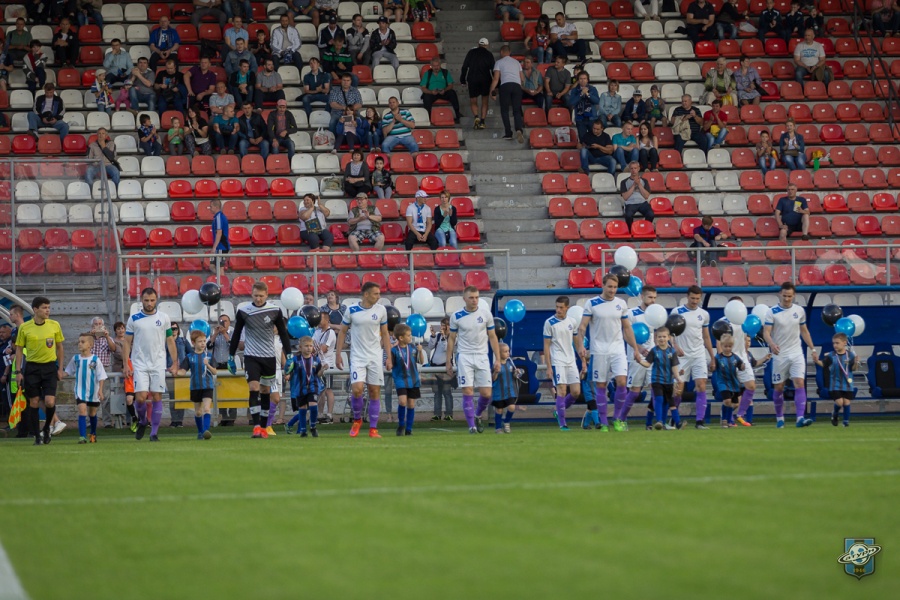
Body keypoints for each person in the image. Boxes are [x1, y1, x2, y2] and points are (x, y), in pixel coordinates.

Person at [575, 274, 642, 432]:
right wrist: (581, 345)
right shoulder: (592, 303)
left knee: (622, 382)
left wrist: (635, 348)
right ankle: (604, 422)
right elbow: (582, 327)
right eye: (610, 286)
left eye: (615, 287)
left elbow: (627, 328)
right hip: (599, 350)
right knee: (601, 385)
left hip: (617, 349)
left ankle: (617, 418)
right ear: (603, 285)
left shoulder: (621, 303)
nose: (612, 290)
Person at [228, 281, 290, 438]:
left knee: (265, 391)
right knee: (253, 387)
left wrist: (289, 355)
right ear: (252, 294)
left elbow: (283, 333)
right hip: (251, 356)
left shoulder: (275, 310)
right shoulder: (244, 311)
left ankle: (263, 427)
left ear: (267, 295)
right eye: (255, 295)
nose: (258, 299)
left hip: (269, 357)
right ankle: (256, 426)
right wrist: (231, 355)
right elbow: (236, 334)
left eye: (261, 296)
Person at [335, 282, 392, 438]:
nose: (378, 297)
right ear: (366, 294)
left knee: (374, 391)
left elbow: (385, 334)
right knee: (357, 389)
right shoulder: (352, 310)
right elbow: (342, 332)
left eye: (379, 293)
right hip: (357, 356)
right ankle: (357, 420)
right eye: (375, 294)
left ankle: (373, 429)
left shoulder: (381, 310)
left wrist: (389, 357)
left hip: (375, 356)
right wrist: (338, 354)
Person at [123, 288, 179, 442]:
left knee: (156, 396)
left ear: (156, 300)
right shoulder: (134, 319)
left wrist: (175, 362)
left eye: (152, 300)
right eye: (146, 300)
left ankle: (154, 433)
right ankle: (142, 421)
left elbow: (170, 340)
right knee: (140, 398)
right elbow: (127, 342)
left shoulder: (164, 317)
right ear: (141, 300)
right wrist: (126, 364)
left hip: (158, 363)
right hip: (139, 363)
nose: (149, 303)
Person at [446, 286, 502, 434]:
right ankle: (471, 426)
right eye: (471, 297)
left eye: (476, 297)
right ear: (464, 299)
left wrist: (497, 359)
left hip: (482, 356)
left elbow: (492, 336)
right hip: (464, 356)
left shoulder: (486, 314)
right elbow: (451, 339)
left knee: (487, 393)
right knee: (468, 390)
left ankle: (477, 415)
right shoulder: (456, 316)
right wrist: (448, 361)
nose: (474, 300)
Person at [763, 282, 817, 428]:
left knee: (799, 383)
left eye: (789, 296)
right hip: (780, 354)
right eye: (785, 296)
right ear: (780, 294)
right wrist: (772, 344)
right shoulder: (772, 312)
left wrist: (813, 349)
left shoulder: (799, 311)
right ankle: (780, 418)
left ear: (794, 296)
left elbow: (804, 331)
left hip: (796, 353)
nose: (787, 299)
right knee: (779, 387)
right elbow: (766, 332)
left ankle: (800, 418)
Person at [15, 296, 65, 445]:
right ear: (35, 310)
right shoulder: (25, 327)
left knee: (49, 401)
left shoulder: (54, 325)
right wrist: (18, 371)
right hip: (32, 368)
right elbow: (19, 349)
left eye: (48, 307)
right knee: (34, 401)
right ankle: (37, 436)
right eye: (44, 308)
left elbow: (60, 347)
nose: (47, 310)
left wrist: (60, 368)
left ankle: (47, 427)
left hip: (49, 367)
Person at [670, 285, 715, 430]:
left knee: (701, 385)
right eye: (692, 298)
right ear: (687, 296)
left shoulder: (704, 314)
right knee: (678, 389)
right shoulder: (677, 312)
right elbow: (670, 333)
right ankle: (674, 418)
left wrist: (712, 356)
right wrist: (675, 346)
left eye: (697, 299)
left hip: (698, 354)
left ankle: (699, 421)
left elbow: (706, 336)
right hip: (682, 356)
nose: (695, 301)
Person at [721, 296, 760, 428]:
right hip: (728, 359)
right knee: (731, 395)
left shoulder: (745, 321)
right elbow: (719, 342)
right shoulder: (723, 323)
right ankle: (726, 419)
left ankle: (740, 414)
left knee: (751, 386)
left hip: (742, 357)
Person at [543, 296, 581, 431]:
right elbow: (546, 346)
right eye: (557, 307)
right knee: (562, 390)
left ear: (567, 308)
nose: (558, 310)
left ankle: (558, 411)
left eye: (561, 307)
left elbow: (576, 342)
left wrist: (583, 360)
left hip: (571, 360)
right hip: (557, 360)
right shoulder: (549, 323)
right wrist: (548, 367)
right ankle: (563, 423)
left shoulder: (572, 322)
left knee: (576, 392)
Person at [65, 332, 107, 444]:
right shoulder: (75, 359)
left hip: (93, 391)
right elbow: (68, 371)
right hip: (80, 390)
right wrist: (59, 374)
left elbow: (101, 376)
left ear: (90, 345)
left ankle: (93, 434)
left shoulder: (95, 360)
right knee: (82, 411)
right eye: (79, 342)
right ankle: (82, 437)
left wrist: (100, 390)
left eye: (83, 342)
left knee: (92, 413)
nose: (80, 344)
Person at [623, 286, 656, 429]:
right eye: (650, 297)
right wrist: (639, 348)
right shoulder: (632, 313)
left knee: (656, 390)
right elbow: (626, 335)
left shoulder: (656, 313)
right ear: (642, 297)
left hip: (653, 357)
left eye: (654, 298)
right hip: (636, 357)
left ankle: (652, 422)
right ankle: (621, 419)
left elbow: (660, 334)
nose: (653, 300)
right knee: (635, 391)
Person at [637, 326, 681, 430]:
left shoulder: (672, 351)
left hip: (668, 381)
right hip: (656, 380)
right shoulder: (654, 351)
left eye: (664, 337)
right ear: (656, 338)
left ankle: (671, 423)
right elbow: (648, 364)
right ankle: (659, 421)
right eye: (659, 337)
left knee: (667, 402)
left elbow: (674, 366)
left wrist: (678, 377)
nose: (662, 339)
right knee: (659, 399)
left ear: (668, 337)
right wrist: (640, 361)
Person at [178, 330, 216, 440]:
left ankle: (206, 431)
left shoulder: (209, 356)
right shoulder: (190, 357)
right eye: (200, 341)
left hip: (207, 386)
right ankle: (200, 432)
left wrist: (208, 365)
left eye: (204, 341)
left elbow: (215, 372)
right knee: (198, 412)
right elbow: (183, 371)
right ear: (193, 343)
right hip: (195, 387)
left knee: (207, 409)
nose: (203, 343)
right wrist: (175, 372)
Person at [814, 333, 857, 428]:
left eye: (837, 343)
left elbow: (853, 369)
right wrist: (817, 361)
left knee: (846, 402)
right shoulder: (831, 355)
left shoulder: (850, 355)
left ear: (844, 343)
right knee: (839, 402)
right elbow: (824, 364)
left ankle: (846, 422)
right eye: (834, 343)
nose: (835, 345)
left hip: (847, 384)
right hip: (835, 384)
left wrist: (856, 362)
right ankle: (835, 413)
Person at [285, 336, 325, 436]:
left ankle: (313, 426)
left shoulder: (316, 359)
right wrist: (287, 372)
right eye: (306, 346)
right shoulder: (295, 360)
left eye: (311, 346)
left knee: (313, 406)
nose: (309, 348)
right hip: (300, 388)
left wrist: (322, 369)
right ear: (300, 347)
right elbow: (288, 371)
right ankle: (303, 430)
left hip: (313, 386)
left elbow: (318, 374)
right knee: (302, 409)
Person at [390, 324, 424, 436]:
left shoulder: (413, 348)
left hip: (413, 380)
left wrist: (420, 352)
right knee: (402, 401)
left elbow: (421, 361)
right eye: (408, 335)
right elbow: (390, 364)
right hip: (400, 379)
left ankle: (409, 429)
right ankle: (401, 425)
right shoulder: (394, 350)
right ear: (401, 338)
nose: (410, 337)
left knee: (411, 404)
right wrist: (388, 364)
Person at [489, 44, 525, 143]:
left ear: (501, 52)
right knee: (516, 110)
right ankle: (519, 129)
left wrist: (492, 91)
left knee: (504, 110)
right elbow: (522, 78)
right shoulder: (516, 62)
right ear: (510, 52)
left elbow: (496, 79)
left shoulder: (499, 62)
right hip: (517, 86)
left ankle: (508, 133)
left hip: (505, 86)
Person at [460, 38, 495, 130]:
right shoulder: (489, 54)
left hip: (472, 79)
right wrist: (496, 84)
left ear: (478, 44)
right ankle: (482, 121)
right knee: (485, 101)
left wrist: (462, 79)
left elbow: (464, 67)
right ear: (487, 45)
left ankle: (476, 117)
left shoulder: (471, 53)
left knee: (473, 100)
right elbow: (493, 70)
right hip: (485, 80)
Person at [711, 334, 745, 427]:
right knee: (727, 401)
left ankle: (728, 418)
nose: (727, 348)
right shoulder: (718, 358)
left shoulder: (735, 357)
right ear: (721, 346)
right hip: (723, 383)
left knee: (735, 404)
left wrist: (742, 366)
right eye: (725, 346)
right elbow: (712, 368)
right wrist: (712, 367)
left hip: (734, 383)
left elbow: (741, 366)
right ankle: (724, 420)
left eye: (729, 346)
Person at [208, 314, 235, 425]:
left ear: (229, 322)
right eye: (221, 321)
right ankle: (223, 417)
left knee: (232, 391)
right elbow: (209, 346)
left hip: (229, 364)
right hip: (218, 365)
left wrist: (225, 334)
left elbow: (233, 346)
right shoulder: (215, 334)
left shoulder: (232, 333)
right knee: (220, 392)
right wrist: (215, 334)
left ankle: (232, 417)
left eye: (225, 321)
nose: (223, 323)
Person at [311, 311, 336, 424]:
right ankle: (320, 414)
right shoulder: (316, 332)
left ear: (327, 319)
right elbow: (312, 346)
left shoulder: (330, 332)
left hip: (327, 365)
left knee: (328, 389)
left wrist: (314, 349)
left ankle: (329, 414)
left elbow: (324, 348)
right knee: (320, 390)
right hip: (317, 365)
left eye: (320, 319)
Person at [427, 318, 453, 421]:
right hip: (435, 367)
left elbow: (446, 348)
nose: (442, 327)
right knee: (437, 393)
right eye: (441, 325)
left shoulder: (452, 336)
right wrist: (433, 335)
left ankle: (449, 414)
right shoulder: (438, 336)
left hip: (445, 368)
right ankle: (437, 414)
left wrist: (443, 337)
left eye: (444, 325)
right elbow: (430, 346)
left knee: (446, 392)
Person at [421, 57, 460, 122]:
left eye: (438, 65)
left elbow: (450, 85)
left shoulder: (445, 72)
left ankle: (457, 115)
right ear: (431, 66)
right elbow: (423, 88)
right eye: (434, 66)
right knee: (426, 97)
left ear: (440, 65)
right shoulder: (427, 73)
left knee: (452, 93)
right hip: (432, 93)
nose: (436, 67)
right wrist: (431, 92)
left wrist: (445, 90)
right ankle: (428, 118)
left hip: (443, 92)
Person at [620, 161, 654, 230]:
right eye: (631, 168)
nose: (633, 170)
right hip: (630, 203)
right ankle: (631, 231)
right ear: (629, 169)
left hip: (642, 203)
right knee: (628, 215)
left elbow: (646, 196)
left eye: (635, 168)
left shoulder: (644, 181)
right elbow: (625, 197)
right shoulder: (624, 182)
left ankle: (645, 229)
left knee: (651, 214)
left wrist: (639, 184)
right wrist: (633, 185)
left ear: (638, 169)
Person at [209, 198, 230, 270]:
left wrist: (214, 248)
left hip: (221, 247)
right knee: (212, 266)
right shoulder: (217, 217)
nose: (210, 208)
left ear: (216, 207)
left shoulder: (219, 217)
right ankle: (219, 277)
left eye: (211, 206)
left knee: (220, 268)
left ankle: (221, 277)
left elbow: (219, 233)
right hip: (219, 247)